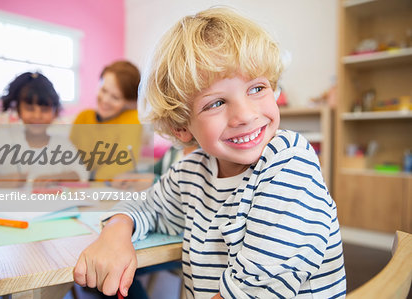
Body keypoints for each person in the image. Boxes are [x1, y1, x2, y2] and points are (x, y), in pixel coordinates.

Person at [74, 8, 346, 299]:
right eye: (216, 103)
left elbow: (254, 291)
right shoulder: (191, 172)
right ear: (181, 127)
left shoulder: (290, 164)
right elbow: (145, 206)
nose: (245, 115)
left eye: (257, 88)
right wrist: (115, 231)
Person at [0, 72, 88, 187]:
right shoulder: (0, 139)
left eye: (44, 110)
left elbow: (81, 174)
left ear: (55, 112)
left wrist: (55, 178)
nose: (37, 116)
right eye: (30, 109)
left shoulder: (62, 144)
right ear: (18, 109)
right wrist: (5, 180)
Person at [70, 61, 142, 181]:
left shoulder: (132, 119)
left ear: (129, 102)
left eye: (115, 97)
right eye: (103, 90)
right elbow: (70, 159)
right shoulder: (83, 117)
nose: (105, 100)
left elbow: (121, 165)